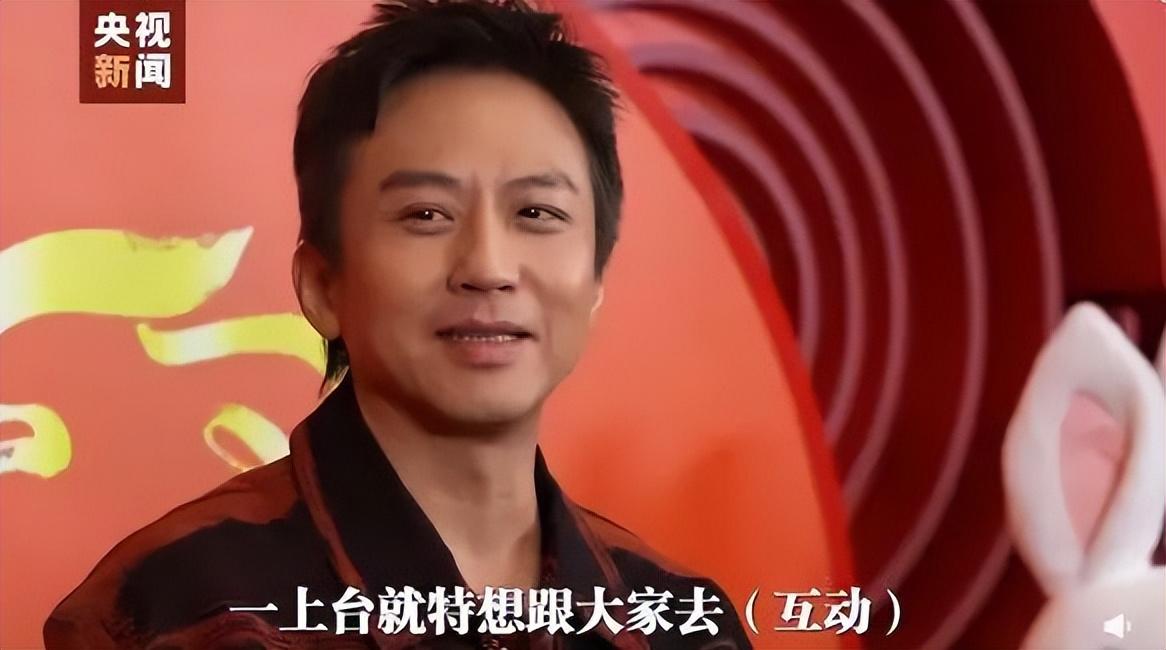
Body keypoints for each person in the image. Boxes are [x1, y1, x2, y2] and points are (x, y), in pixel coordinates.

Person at [44, 1, 752, 648]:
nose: (488, 266)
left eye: (537, 213)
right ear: (323, 285)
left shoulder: (679, 620)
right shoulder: (177, 606)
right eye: (426, 215)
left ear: (595, 282)